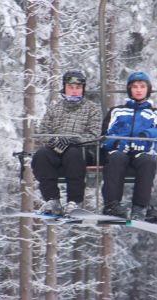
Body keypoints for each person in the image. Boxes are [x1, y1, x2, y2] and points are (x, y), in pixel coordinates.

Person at [100, 71, 157, 222]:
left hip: (141, 152)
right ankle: (112, 204)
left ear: (147, 89)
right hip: (120, 151)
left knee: (148, 161)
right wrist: (117, 142)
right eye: (135, 86)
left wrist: (146, 135)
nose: (138, 90)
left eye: (142, 86)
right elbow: (105, 137)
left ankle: (140, 207)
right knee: (116, 157)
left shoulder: (155, 113)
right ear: (129, 89)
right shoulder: (116, 111)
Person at [31, 70, 101, 215]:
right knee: (41, 155)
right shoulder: (55, 108)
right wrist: (55, 141)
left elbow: (94, 134)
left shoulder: (92, 109)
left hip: (81, 150)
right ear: (65, 88)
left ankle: (74, 202)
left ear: (83, 89)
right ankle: (52, 200)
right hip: (56, 149)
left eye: (78, 88)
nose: (75, 91)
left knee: (73, 154)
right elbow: (43, 131)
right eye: (71, 87)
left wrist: (72, 140)